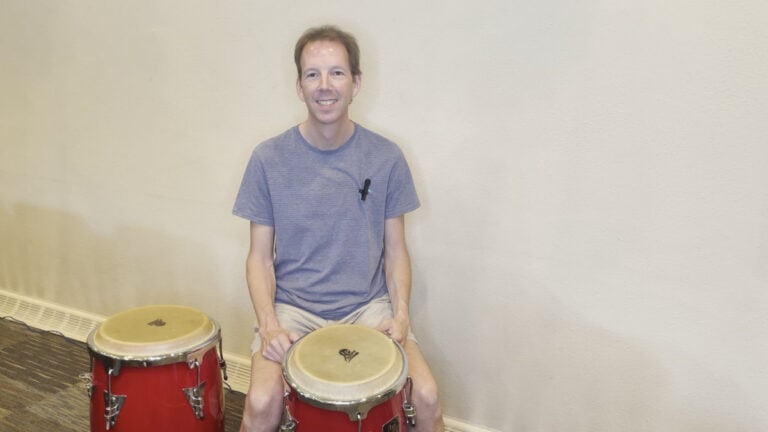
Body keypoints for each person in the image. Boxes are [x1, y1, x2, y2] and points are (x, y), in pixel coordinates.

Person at [233, 25, 444, 432]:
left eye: (337, 73)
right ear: (299, 86)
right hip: (294, 307)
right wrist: (269, 324)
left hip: (368, 306)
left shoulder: (386, 158)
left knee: (428, 395)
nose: (324, 86)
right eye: (312, 74)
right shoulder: (267, 159)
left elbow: (396, 251)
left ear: (356, 83)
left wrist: (400, 316)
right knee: (260, 403)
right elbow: (259, 258)